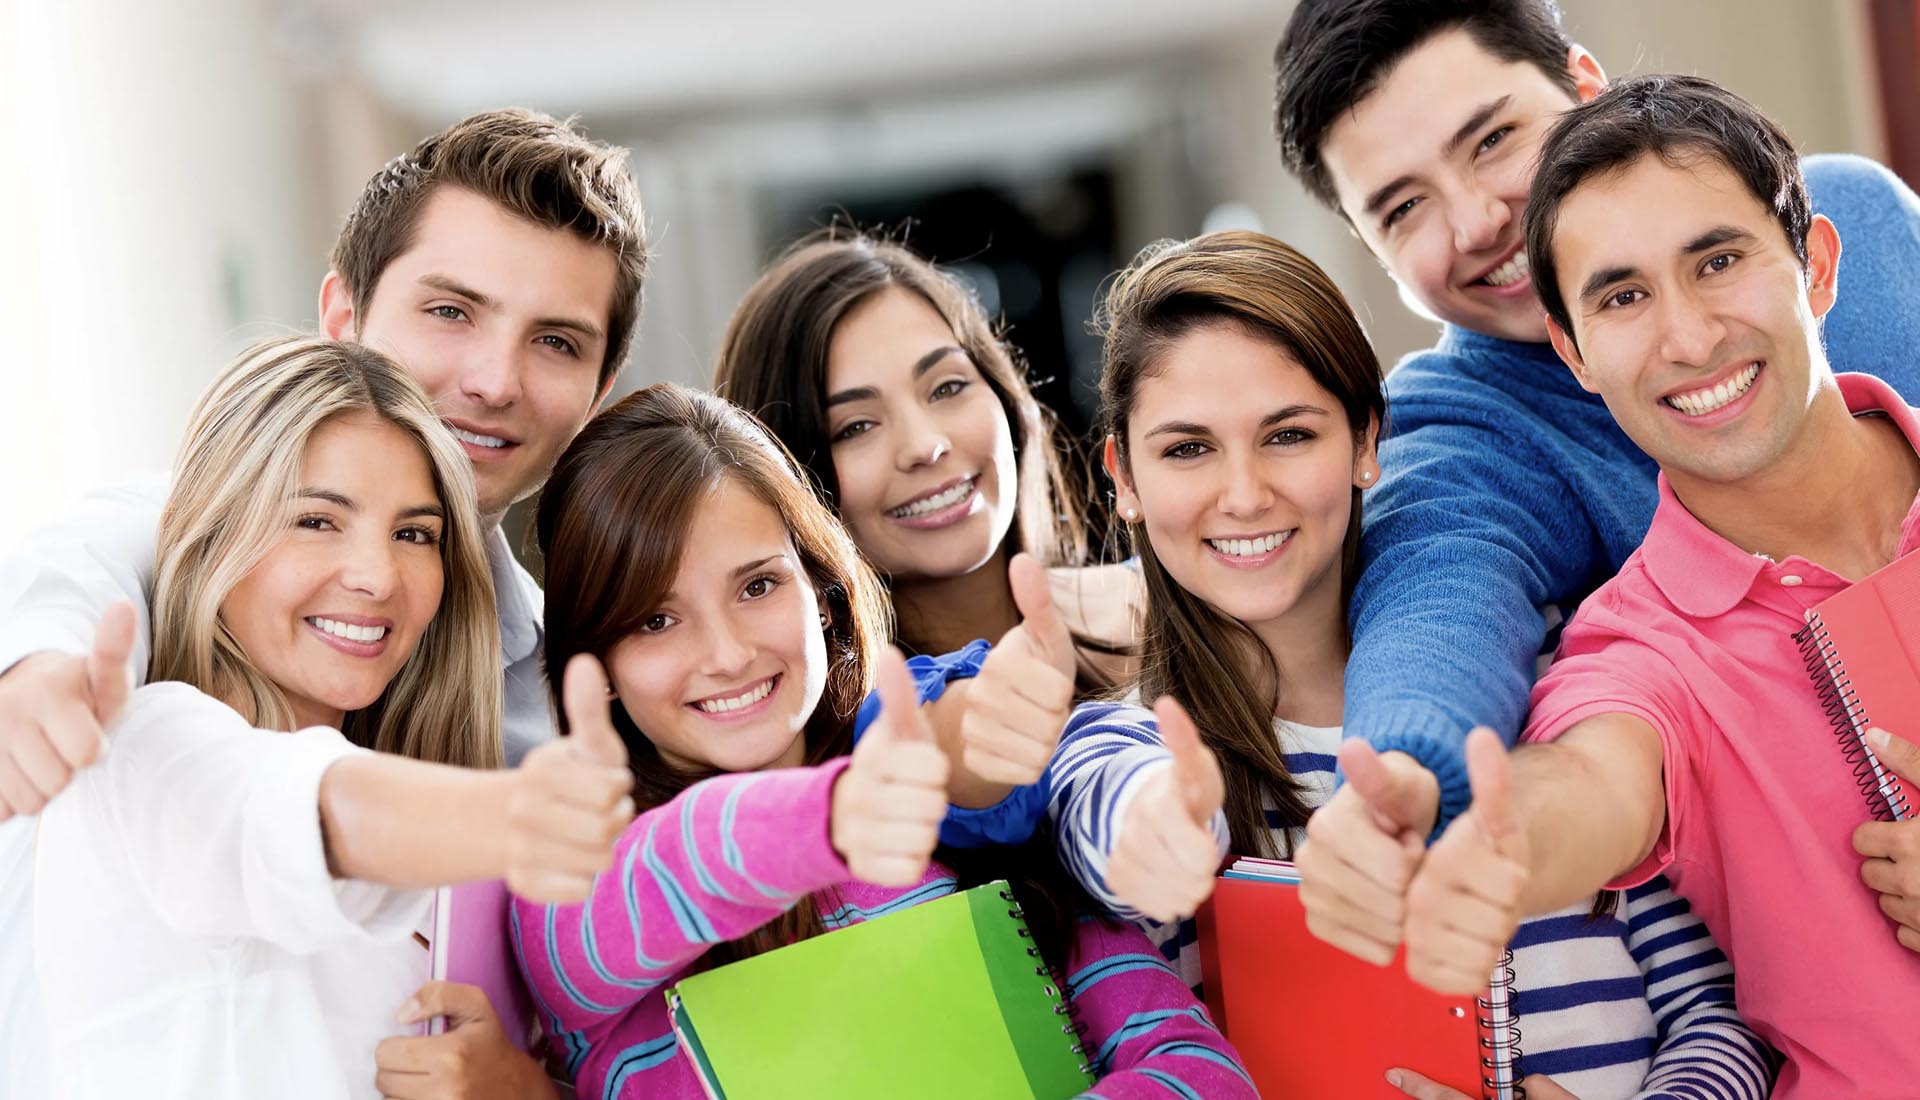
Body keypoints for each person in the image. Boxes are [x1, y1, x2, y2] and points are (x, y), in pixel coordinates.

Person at [0, 108, 648, 1099]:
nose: (490, 380)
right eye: (450, 311)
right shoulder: (144, 693)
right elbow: (294, 805)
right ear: (343, 315)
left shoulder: (563, 689)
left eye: (555, 340)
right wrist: (33, 666)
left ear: (598, 391)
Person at [1042, 230, 1771, 1099]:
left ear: (1363, 444)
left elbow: (1725, 1015)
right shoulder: (1130, 752)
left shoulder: (1550, 680)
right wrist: (1158, 828)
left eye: (1288, 435)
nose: (1243, 494)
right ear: (1123, 474)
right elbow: (1118, 826)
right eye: (1188, 449)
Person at [1268, 0, 1920, 968]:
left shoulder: (1851, 223)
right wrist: (1406, 779)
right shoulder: (1465, 429)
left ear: (1583, 87)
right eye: (1404, 208)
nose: (1482, 220)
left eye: (1494, 140)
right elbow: (1438, 606)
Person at [1385, 75, 1920, 1100]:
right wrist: (1492, 843)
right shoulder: (1637, 653)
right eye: (1623, 296)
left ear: (1813, 265)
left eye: (1716, 261)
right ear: (1575, 352)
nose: (1686, 337)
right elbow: (1592, 782)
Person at [511, 382, 1255, 1099]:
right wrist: (836, 814)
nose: (728, 654)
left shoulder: (956, 809)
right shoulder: (570, 871)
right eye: (655, 620)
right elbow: (679, 864)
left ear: (823, 596)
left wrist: (1123, 788)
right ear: (594, 664)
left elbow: (1195, 1068)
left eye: (757, 586)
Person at [712, 231, 1139, 684]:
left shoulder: (1172, 601)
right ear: (786, 478)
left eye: (947, 387)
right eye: (855, 427)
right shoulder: (847, 738)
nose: (924, 446)